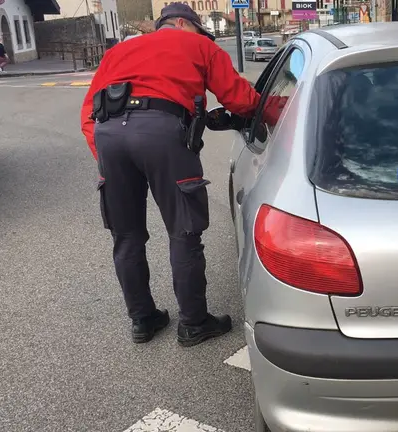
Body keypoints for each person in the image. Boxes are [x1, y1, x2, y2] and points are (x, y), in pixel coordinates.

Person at [79, 2, 285, 347]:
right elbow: (240, 99)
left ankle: (143, 320)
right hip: (163, 132)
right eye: (199, 29)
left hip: (109, 134)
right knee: (183, 232)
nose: (203, 36)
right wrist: (282, 108)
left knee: (126, 236)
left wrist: (107, 159)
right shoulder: (200, 46)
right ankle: (193, 323)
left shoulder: (119, 50)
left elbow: (88, 113)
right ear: (180, 23)